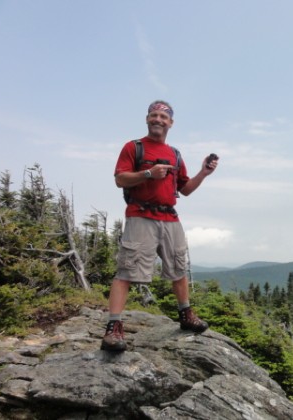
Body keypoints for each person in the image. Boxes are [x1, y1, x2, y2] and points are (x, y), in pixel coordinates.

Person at [101, 100, 218, 352]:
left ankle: (185, 315)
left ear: (171, 123)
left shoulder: (175, 154)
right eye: (153, 115)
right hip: (140, 215)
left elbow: (184, 189)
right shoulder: (134, 147)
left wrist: (203, 173)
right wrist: (148, 174)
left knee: (178, 267)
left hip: (170, 218)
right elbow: (120, 179)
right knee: (127, 271)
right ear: (147, 119)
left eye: (163, 117)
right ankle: (114, 327)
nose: (158, 120)